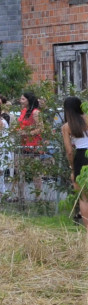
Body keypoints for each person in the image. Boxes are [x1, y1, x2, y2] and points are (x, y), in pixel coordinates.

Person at [60, 96, 88, 227]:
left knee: (83, 197)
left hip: (81, 157)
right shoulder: (87, 118)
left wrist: (72, 167)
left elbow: (69, 150)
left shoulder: (67, 126)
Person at [15, 91, 44, 198]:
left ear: (29, 100)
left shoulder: (36, 112)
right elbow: (20, 125)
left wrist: (27, 133)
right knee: (19, 171)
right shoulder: (23, 111)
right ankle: (20, 196)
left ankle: (38, 197)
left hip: (34, 145)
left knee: (36, 173)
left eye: (23, 99)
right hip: (23, 144)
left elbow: (41, 128)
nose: (20, 101)